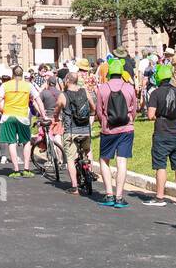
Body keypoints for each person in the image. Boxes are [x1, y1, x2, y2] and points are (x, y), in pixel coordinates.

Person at [94, 57, 138, 208]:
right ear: (122, 73)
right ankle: (119, 197)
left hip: (108, 129)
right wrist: (130, 120)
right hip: (127, 128)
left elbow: (99, 111)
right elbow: (135, 109)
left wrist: (104, 122)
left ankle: (109, 194)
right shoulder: (129, 88)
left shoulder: (102, 88)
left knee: (104, 160)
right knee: (122, 161)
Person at [143, 65, 176, 206]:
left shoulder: (155, 93)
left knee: (161, 165)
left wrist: (159, 116)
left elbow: (150, 115)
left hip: (162, 134)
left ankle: (160, 197)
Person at [57, 66, 95, 194]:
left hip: (71, 130)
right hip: (85, 129)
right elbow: (93, 108)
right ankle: (90, 170)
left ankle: (74, 187)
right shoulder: (85, 91)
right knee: (88, 150)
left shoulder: (63, 95)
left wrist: (56, 119)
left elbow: (57, 111)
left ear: (67, 80)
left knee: (70, 158)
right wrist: (91, 117)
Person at [0, 65, 40, 178]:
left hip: (8, 116)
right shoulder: (28, 85)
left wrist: (3, 111)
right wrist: (43, 114)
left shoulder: (5, 85)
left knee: (11, 142)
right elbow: (38, 99)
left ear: (12, 74)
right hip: (22, 116)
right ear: (22, 75)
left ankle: (16, 170)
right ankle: (26, 169)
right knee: (26, 141)